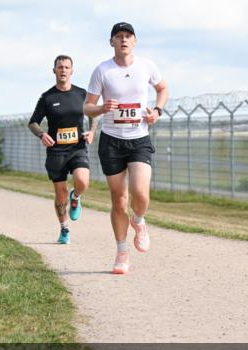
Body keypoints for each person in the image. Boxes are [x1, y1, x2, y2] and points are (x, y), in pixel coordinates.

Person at [84, 22, 168, 274]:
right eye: (118, 36)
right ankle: (122, 252)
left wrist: (157, 110)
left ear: (135, 41)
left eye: (128, 36)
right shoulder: (102, 70)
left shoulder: (147, 66)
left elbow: (162, 89)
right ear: (112, 42)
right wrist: (101, 108)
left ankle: (139, 221)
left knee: (140, 193)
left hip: (139, 137)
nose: (123, 40)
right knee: (119, 200)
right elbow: (87, 106)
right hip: (111, 139)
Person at [28, 55, 97, 244]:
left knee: (82, 181)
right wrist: (42, 135)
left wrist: (91, 131)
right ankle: (64, 228)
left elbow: (92, 114)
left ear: (72, 71)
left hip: (77, 148)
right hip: (56, 151)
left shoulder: (82, 94)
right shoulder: (47, 97)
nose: (63, 70)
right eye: (60, 67)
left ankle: (76, 197)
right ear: (54, 71)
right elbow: (33, 122)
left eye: (67, 67)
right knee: (60, 194)